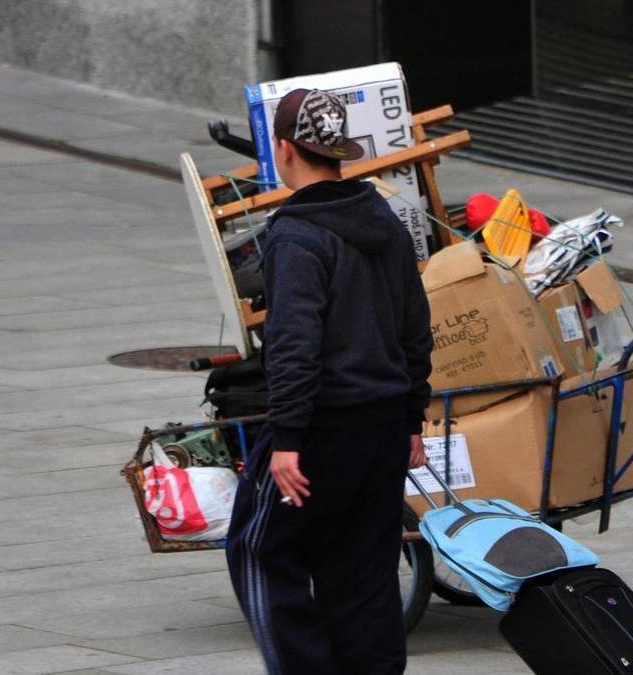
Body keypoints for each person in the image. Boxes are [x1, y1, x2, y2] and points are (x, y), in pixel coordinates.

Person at [226, 88, 432, 674]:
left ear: (284, 149)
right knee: (363, 571)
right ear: (339, 151)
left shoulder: (295, 236)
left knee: (258, 549)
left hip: (320, 429)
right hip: (384, 425)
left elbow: (294, 346)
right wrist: (412, 418)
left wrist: (286, 440)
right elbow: (416, 327)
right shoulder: (384, 220)